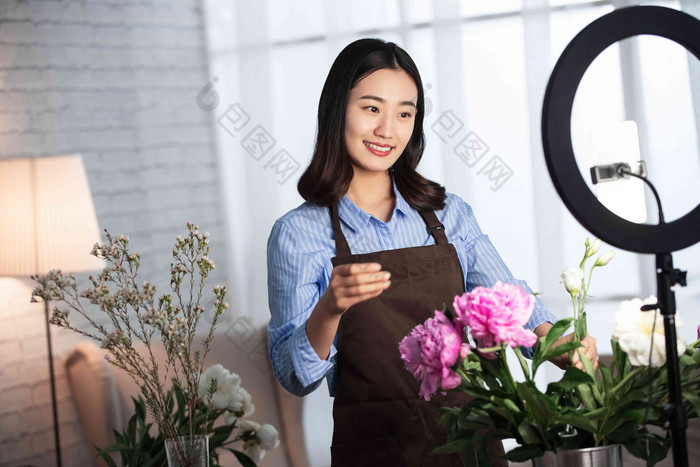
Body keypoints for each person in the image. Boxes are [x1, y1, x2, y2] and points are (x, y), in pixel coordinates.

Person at [266, 38, 598, 467]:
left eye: (405, 113)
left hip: (472, 443)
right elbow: (295, 377)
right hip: (376, 452)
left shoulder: (448, 215)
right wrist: (329, 309)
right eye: (372, 108)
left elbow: (509, 297)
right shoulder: (298, 234)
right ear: (336, 111)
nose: (388, 129)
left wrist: (558, 341)